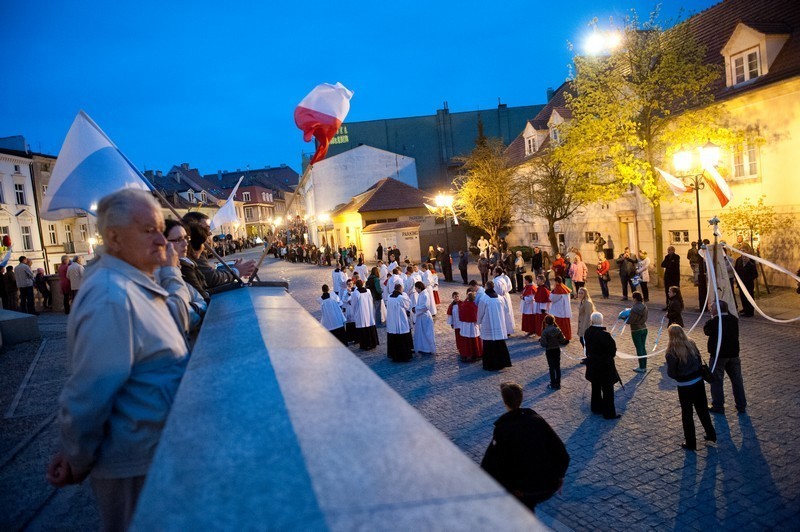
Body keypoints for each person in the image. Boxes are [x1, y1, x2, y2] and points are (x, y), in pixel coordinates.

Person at [46, 189, 190, 531]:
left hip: (150, 452)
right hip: (134, 462)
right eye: (147, 230)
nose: (161, 240)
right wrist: (78, 457)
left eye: (159, 229)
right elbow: (88, 393)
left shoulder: (133, 284)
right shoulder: (112, 296)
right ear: (113, 237)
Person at [481, 382, 569, 512]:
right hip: (547, 485)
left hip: (522, 491)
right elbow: (562, 453)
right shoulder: (537, 420)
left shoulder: (503, 429)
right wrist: (559, 476)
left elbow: (490, 464)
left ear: (505, 402)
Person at [665, 324, 716, 451]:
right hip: (698, 383)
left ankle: (691, 442)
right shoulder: (691, 344)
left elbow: (671, 373)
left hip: (684, 386)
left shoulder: (672, 352)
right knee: (702, 410)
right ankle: (711, 434)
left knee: (687, 414)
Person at [182, 212, 256, 288]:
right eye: (207, 228)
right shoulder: (191, 249)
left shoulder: (195, 248)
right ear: (194, 229)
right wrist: (236, 271)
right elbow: (211, 279)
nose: (210, 233)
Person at [704, 300, 746, 414]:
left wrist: (712, 318)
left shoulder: (715, 321)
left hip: (719, 356)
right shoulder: (733, 319)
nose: (710, 309)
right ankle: (741, 404)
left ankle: (718, 405)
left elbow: (706, 331)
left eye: (712, 307)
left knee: (716, 381)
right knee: (737, 380)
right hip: (733, 354)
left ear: (717, 309)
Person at [584, 312, 621, 419]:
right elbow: (612, 351)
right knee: (608, 390)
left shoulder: (588, 332)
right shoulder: (605, 335)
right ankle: (609, 413)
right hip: (605, 366)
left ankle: (596, 407)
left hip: (592, 364)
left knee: (595, 386)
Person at [477, 281, 512, 371]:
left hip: (488, 323)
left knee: (489, 345)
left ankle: (490, 364)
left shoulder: (484, 298)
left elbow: (480, 312)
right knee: (499, 344)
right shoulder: (500, 298)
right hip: (499, 324)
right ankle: (502, 363)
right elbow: (505, 310)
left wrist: (478, 321)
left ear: (486, 287)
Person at [540, 315, 569, 390]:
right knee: (557, 367)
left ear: (546, 322)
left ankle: (553, 383)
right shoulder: (557, 329)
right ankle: (558, 383)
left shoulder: (545, 331)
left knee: (551, 367)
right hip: (556, 349)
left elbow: (544, 344)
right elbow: (563, 340)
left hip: (549, 350)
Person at [386, 283, 413, 362]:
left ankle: (394, 355)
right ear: (400, 289)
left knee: (394, 337)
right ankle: (404, 356)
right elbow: (408, 305)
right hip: (400, 320)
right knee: (402, 337)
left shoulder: (389, 297)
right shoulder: (401, 298)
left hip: (392, 321)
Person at [351, 279, 379, 350]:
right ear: (362, 284)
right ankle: (373, 343)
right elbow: (371, 300)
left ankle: (365, 345)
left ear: (356, 285)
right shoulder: (368, 291)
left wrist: (353, 313)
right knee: (370, 326)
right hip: (369, 312)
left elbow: (353, 304)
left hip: (361, 313)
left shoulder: (355, 293)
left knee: (363, 328)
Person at [413, 281, 436, 355]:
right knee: (421, 332)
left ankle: (429, 349)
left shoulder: (425, 294)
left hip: (425, 316)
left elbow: (426, 306)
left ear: (419, 288)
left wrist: (416, 309)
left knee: (427, 333)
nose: (415, 290)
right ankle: (423, 348)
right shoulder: (421, 294)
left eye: (416, 288)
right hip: (421, 316)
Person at [459, 290, 482, 362]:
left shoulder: (464, 305)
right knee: (474, 340)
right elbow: (477, 316)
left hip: (465, 326)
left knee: (466, 341)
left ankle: (466, 354)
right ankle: (476, 354)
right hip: (473, 325)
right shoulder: (474, 305)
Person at [629, 292, 649, 372]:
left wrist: (624, 318)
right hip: (644, 328)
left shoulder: (634, 309)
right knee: (643, 347)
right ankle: (644, 365)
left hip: (636, 329)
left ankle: (641, 367)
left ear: (635, 299)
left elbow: (631, 320)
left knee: (639, 348)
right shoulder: (645, 306)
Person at [493, 268, 515, 335]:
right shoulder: (503, 279)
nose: (493, 273)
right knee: (507, 313)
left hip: (500, 297)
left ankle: (504, 330)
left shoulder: (496, 281)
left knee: (502, 314)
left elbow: (495, 291)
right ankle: (508, 329)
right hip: (505, 296)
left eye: (494, 272)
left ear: (497, 273)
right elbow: (509, 287)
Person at [446, 291, 465, 360]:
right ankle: (460, 348)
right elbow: (450, 315)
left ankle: (464, 347)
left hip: (462, 323)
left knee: (463, 336)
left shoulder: (462, 303)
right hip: (456, 323)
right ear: (453, 298)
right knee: (458, 336)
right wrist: (451, 323)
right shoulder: (451, 306)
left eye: (457, 296)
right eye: (455, 297)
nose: (456, 298)